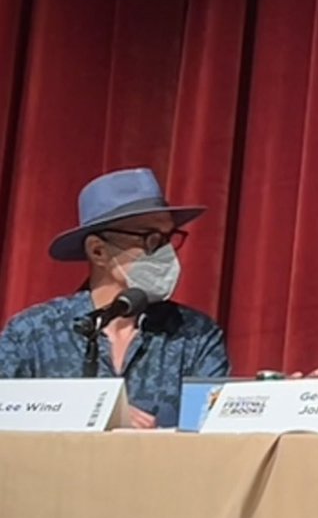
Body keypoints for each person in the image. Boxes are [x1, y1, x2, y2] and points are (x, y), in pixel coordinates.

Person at [0, 168, 230, 428]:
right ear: (98, 251)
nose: (164, 252)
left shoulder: (195, 336)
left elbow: (215, 427)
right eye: (149, 238)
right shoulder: (33, 333)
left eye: (168, 238)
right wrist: (91, 411)